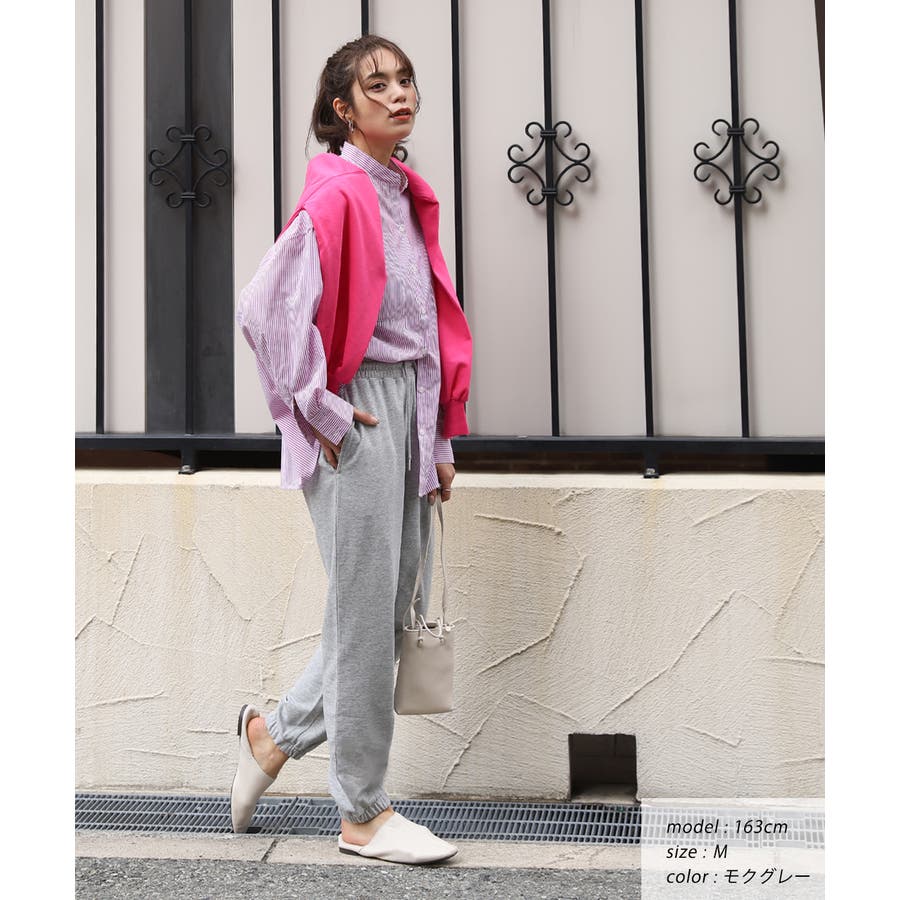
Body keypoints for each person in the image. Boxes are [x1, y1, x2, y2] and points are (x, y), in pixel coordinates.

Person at [231, 35, 473, 865]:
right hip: (360, 410)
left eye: (406, 80)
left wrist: (437, 435)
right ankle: (363, 812)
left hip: (407, 408)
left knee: (382, 612)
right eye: (377, 86)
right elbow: (265, 310)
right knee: (367, 617)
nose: (400, 94)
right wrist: (324, 415)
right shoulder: (339, 193)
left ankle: (272, 736)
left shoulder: (400, 190)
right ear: (343, 109)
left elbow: (424, 326)